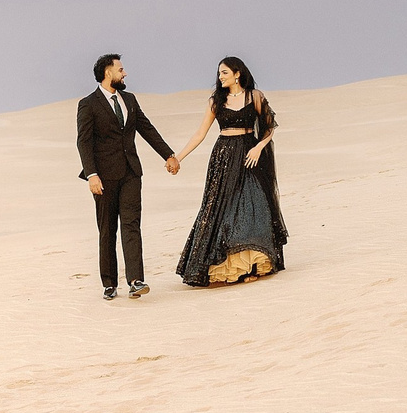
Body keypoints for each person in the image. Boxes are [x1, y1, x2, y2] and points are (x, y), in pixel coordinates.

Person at [169, 56, 288, 288]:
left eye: (224, 72)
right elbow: (200, 134)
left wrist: (258, 147)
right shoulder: (216, 101)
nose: (220, 77)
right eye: (219, 73)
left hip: (250, 157)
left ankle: (252, 264)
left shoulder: (255, 96)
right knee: (221, 210)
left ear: (237, 74)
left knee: (255, 206)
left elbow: (269, 127)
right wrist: (178, 157)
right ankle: (228, 267)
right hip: (223, 157)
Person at [74, 53, 178, 300]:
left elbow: (146, 128)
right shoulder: (88, 104)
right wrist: (91, 175)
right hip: (103, 177)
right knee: (107, 230)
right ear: (107, 72)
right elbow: (84, 142)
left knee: (131, 225)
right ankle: (109, 284)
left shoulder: (129, 99)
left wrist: (169, 155)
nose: (125, 73)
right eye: (120, 69)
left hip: (131, 172)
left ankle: (136, 280)